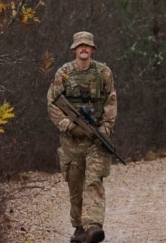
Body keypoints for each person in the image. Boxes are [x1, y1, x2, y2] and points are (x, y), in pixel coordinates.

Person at [47, 31, 117, 243]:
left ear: (93, 49)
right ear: (74, 49)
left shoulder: (103, 72)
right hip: (71, 142)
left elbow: (111, 101)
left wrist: (106, 127)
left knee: (94, 181)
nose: (84, 48)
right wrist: (67, 125)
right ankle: (79, 229)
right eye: (80, 46)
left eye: (87, 45)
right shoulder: (63, 74)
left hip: (95, 139)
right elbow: (52, 102)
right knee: (75, 184)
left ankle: (94, 226)